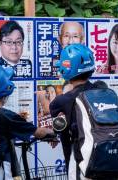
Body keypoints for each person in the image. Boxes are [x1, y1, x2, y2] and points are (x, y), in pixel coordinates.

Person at [0, 63, 53, 179]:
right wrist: (54, 132)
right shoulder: (6, 115)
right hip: (0, 172)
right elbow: (39, 132)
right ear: (6, 87)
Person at [49, 43, 97, 179]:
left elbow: (56, 127)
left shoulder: (62, 101)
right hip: (109, 161)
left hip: (83, 164)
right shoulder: (104, 91)